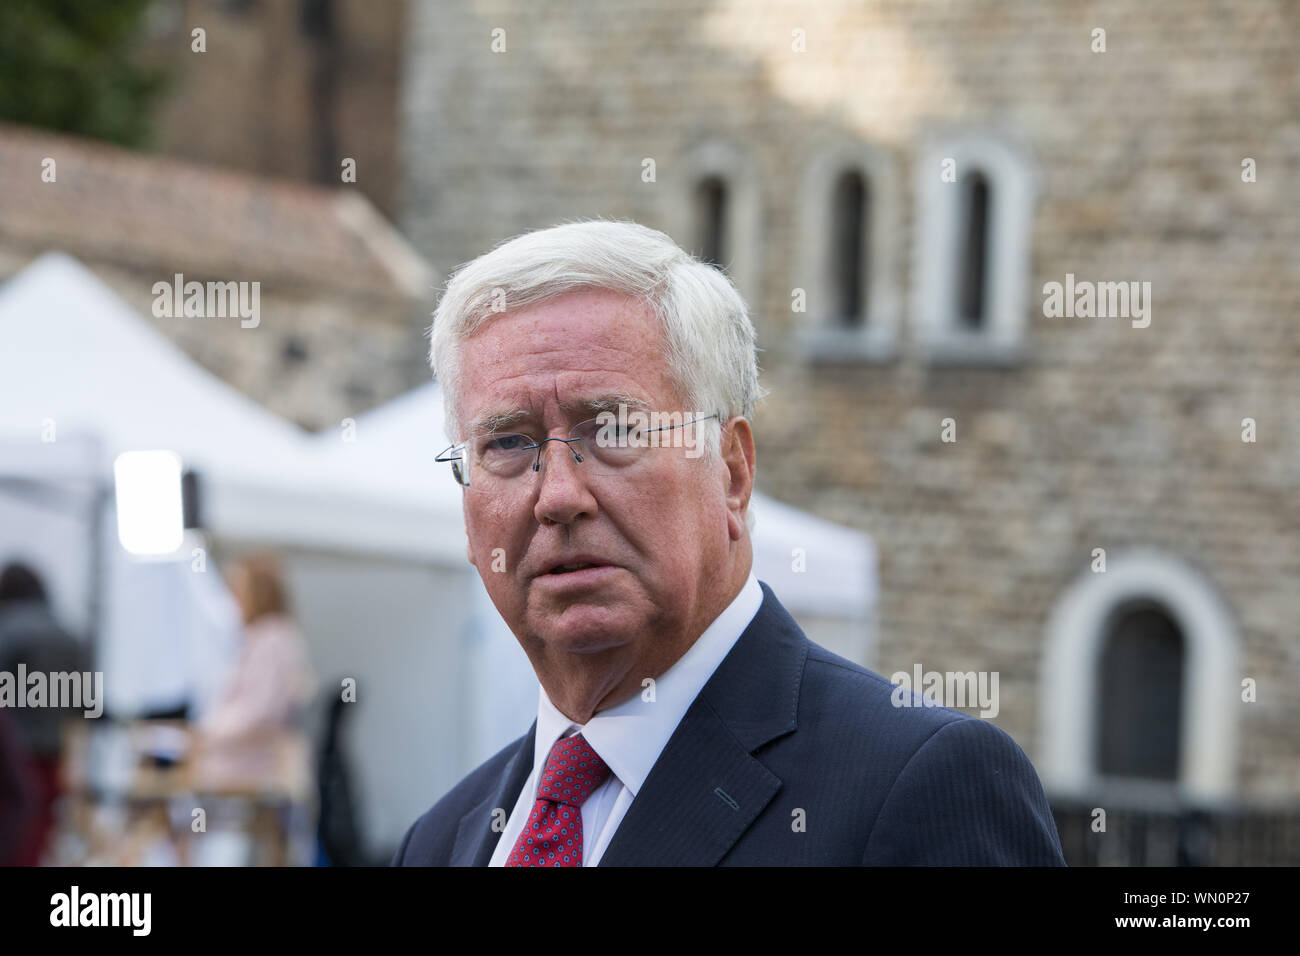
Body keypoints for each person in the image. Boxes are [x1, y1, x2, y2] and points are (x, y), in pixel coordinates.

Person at [392, 220, 1066, 866]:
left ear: (733, 471)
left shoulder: (920, 788)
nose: (560, 494)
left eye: (615, 430)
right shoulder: (443, 840)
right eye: (508, 443)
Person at [192, 554, 317, 798]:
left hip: (247, 768)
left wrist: (208, 733)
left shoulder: (272, 640)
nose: (233, 596)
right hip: (237, 762)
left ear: (257, 592)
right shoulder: (262, 638)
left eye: (239, 588)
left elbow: (261, 712)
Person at [0, 561, 88, 865]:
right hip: (56, 756)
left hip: (15, 756)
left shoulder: (8, 629)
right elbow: (85, 705)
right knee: (40, 830)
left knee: (17, 829)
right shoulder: (70, 634)